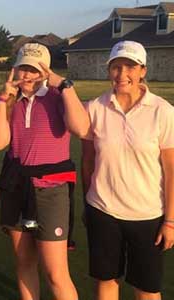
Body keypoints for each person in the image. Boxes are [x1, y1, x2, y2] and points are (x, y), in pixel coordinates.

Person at [0, 43, 89, 300]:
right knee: (24, 263)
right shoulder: (11, 101)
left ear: (45, 71)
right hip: (16, 186)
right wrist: (2, 100)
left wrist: (65, 85)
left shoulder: (58, 96)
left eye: (34, 69)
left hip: (51, 190)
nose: (28, 75)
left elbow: (81, 128)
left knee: (56, 273)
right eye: (23, 68)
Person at [81, 40, 174, 300]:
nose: (123, 75)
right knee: (106, 282)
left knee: (147, 289)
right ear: (109, 70)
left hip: (148, 216)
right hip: (103, 210)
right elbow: (87, 162)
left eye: (130, 67)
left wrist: (170, 220)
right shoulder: (95, 108)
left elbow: (171, 170)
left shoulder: (163, 111)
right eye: (116, 67)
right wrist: (87, 205)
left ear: (143, 70)